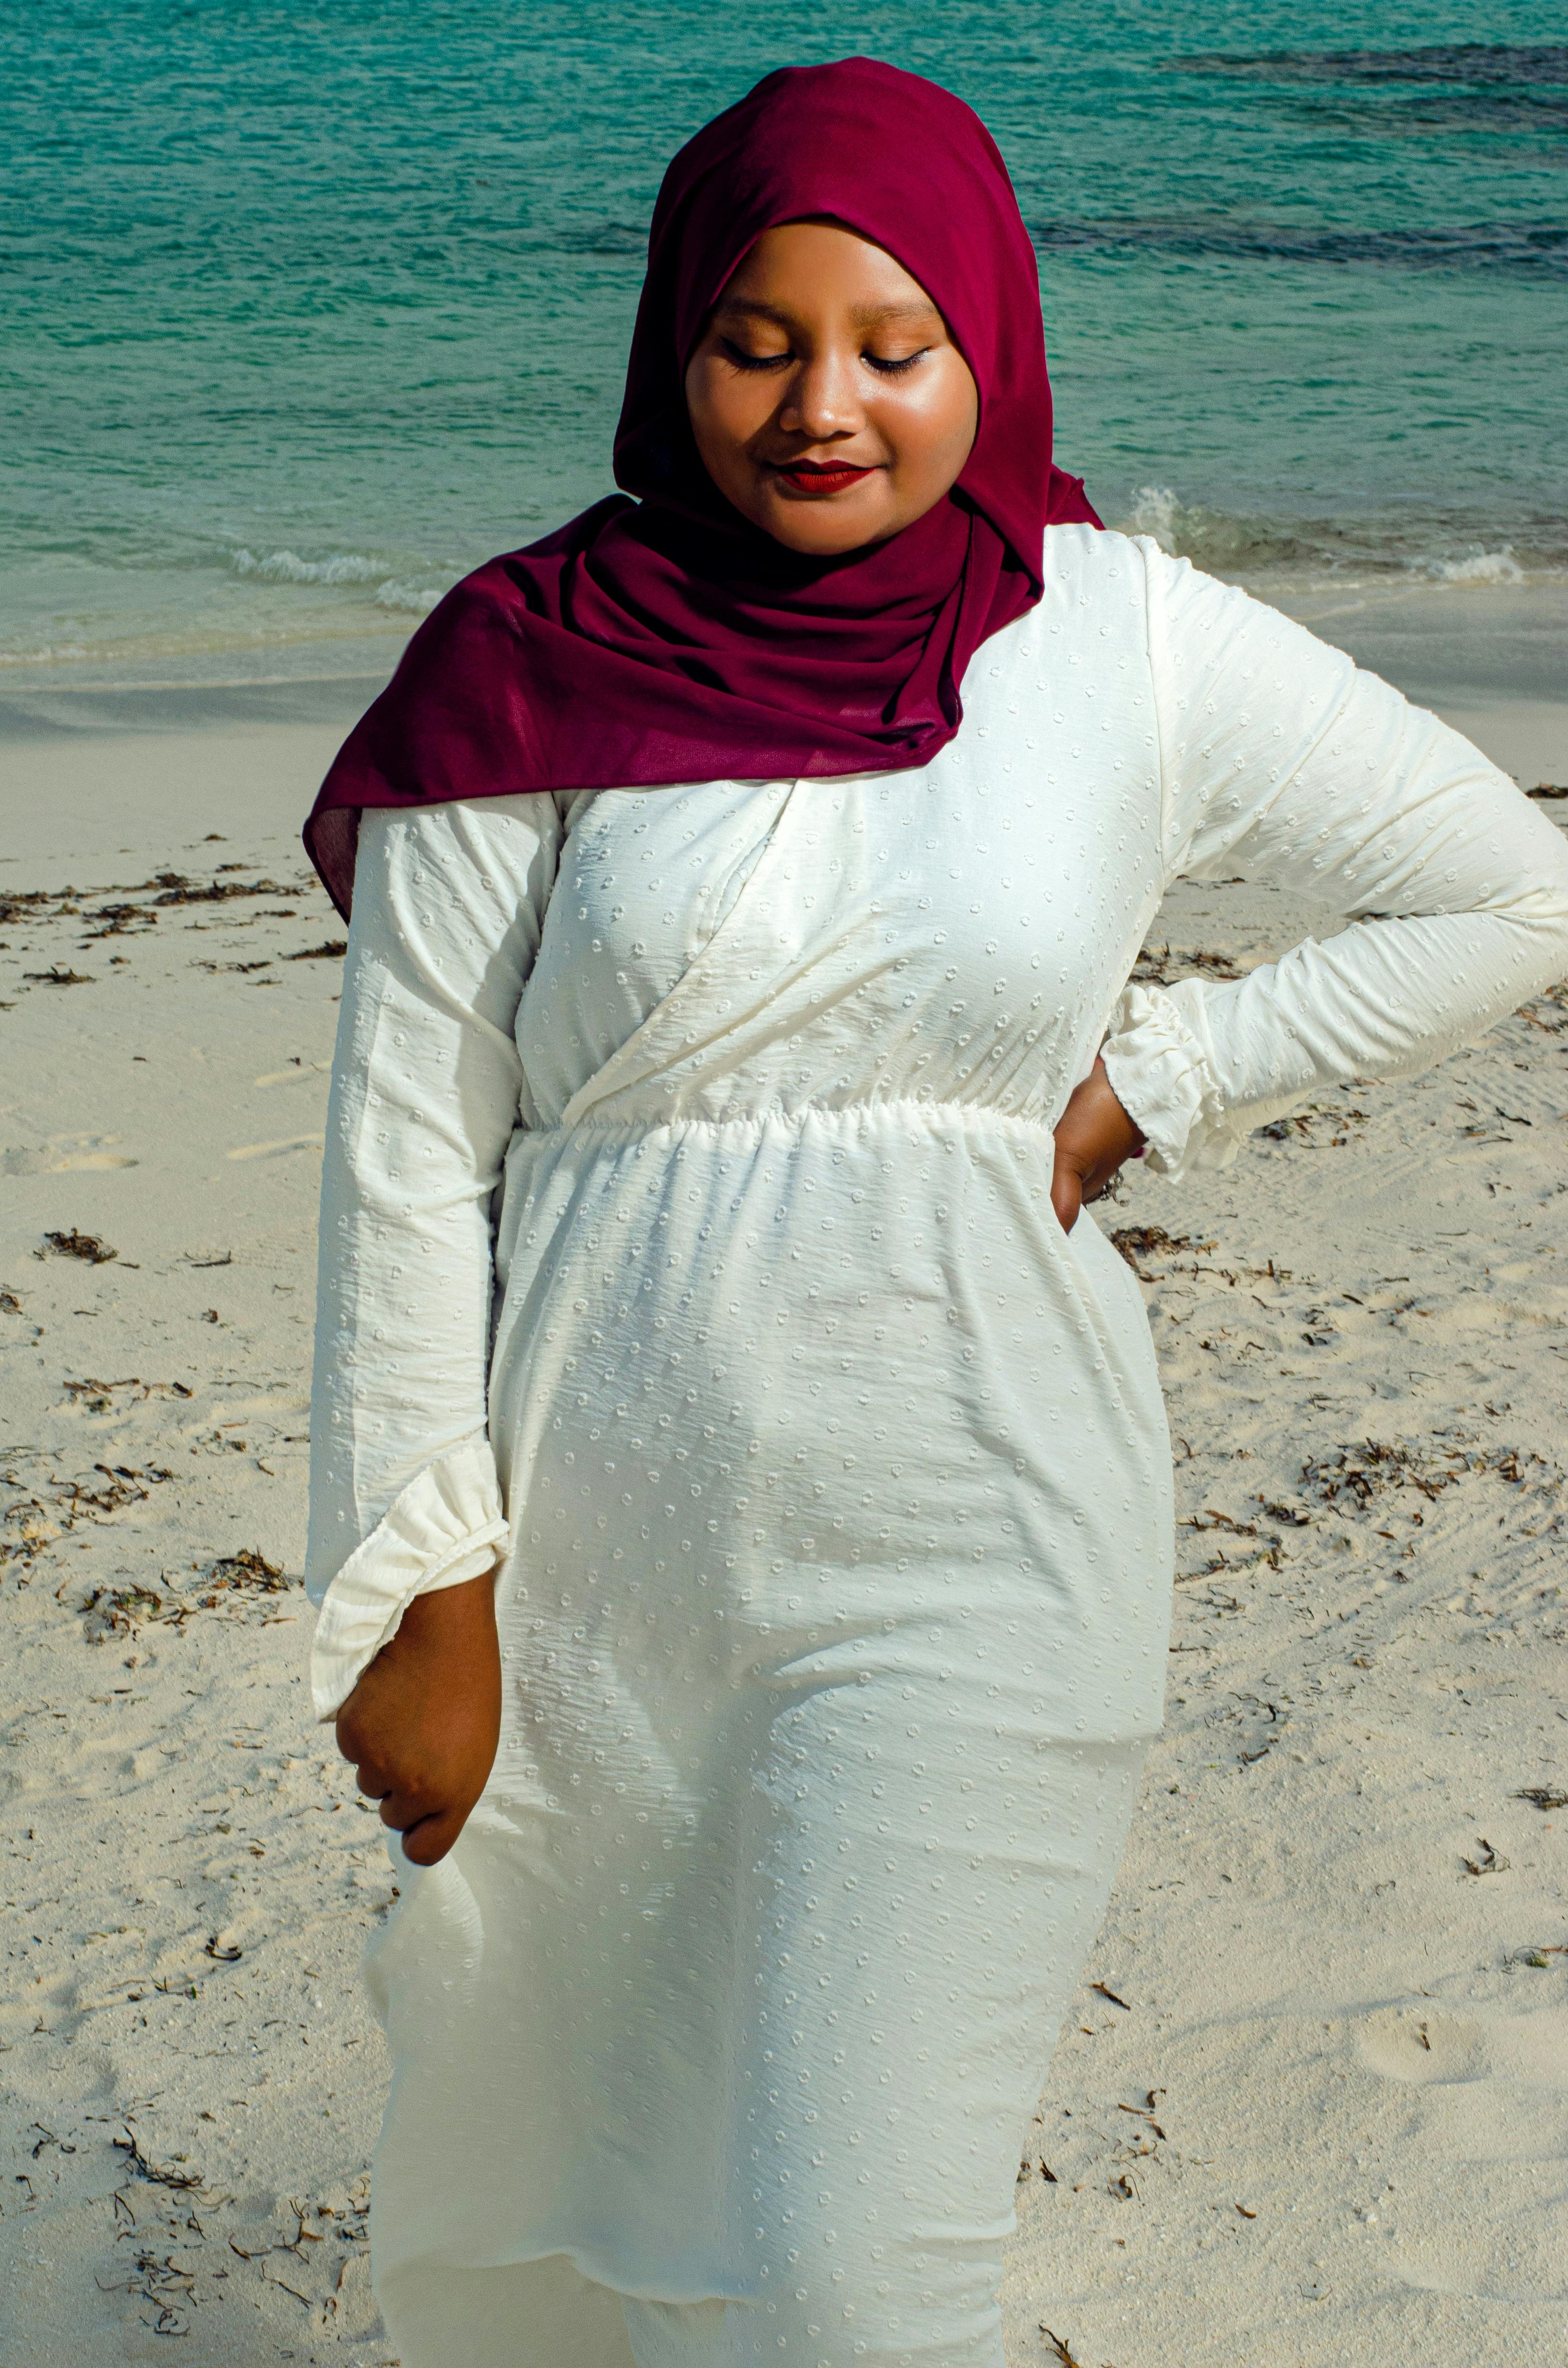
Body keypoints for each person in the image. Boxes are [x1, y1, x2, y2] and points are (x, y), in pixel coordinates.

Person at [301, 56, 1568, 2368]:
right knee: (550, 2215)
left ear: (989, 340)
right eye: (758, 340)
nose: (823, 407)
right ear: (675, 341)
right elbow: (404, 1155)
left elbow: (1509, 887)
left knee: (863, 2275)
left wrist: (1162, 1079)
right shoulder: (521, 662)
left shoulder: (1121, 634)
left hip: (985, 1527)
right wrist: (419, 1577)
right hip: (592, 1554)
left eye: (895, 344)